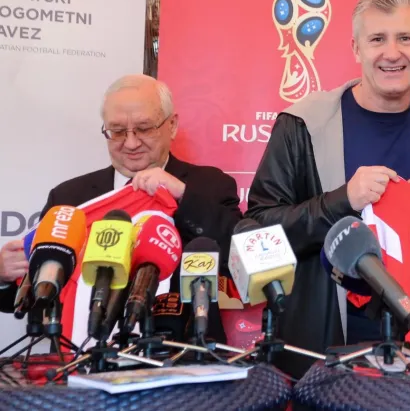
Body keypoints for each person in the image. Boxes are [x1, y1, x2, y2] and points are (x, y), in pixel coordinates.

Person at [246, 0, 410, 377]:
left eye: (405, 38)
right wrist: (341, 201)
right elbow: (256, 232)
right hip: (326, 355)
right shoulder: (302, 124)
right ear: (356, 49)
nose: (392, 53)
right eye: (377, 39)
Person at [0, 74, 242, 343]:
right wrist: (4, 276)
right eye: (116, 131)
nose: (131, 143)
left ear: (172, 125)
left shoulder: (209, 185)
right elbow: (27, 300)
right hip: (84, 356)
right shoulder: (69, 198)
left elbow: (240, 259)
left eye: (144, 128)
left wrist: (182, 196)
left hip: (183, 351)